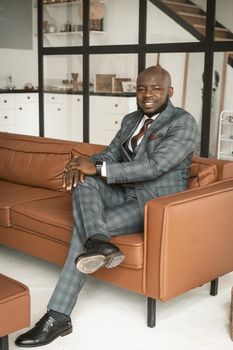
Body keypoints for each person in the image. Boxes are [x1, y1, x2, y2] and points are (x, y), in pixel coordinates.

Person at [15, 65, 198, 347]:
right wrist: (82, 164)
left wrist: (98, 169)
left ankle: (57, 316)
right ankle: (100, 243)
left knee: (82, 230)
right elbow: (111, 153)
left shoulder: (183, 122)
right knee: (83, 181)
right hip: (122, 191)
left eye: (155, 89)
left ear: (169, 92)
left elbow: (155, 166)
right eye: (141, 89)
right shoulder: (130, 120)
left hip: (152, 202)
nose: (147, 94)